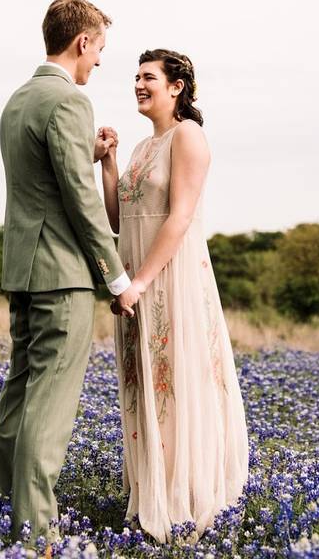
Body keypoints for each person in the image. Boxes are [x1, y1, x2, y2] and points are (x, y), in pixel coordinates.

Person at [0, 0, 141, 542]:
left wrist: (90, 154)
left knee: (21, 390)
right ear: (82, 42)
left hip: (23, 272)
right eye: (99, 48)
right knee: (51, 406)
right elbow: (80, 201)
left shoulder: (18, 100)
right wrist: (117, 277)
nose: (99, 61)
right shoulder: (70, 103)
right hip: (63, 276)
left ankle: (3, 509)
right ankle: (36, 536)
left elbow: (43, 184)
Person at [99, 49, 249, 543]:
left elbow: (181, 217)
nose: (138, 85)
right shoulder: (144, 146)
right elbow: (118, 220)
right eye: (135, 78)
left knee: (176, 384)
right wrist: (111, 163)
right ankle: (151, 500)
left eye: (148, 78)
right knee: (143, 386)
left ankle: (185, 504)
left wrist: (141, 280)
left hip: (169, 279)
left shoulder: (188, 136)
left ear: (176, 86)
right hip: (134, 281)